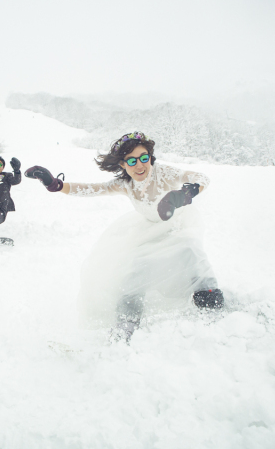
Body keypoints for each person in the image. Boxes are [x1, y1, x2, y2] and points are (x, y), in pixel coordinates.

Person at [25, 132, 223, 343]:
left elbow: (201, 178)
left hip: (177, 226)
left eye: (144, 158)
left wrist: (186, 192)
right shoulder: (125, 184)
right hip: (150, 230)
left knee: (191, 251)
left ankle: (212, 309)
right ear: (122, 164)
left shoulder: (163, 173)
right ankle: (125, 325)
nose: (140, 165)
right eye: (132, 160)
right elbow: (92, 189)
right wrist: (54, 184)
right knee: (133, 271)